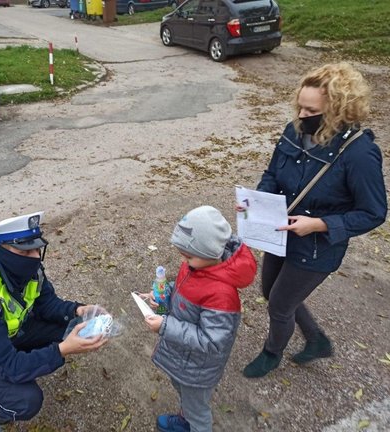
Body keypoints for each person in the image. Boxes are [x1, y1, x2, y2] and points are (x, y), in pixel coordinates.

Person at [240, 62, 387, 378]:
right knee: (270, 290)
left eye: (311, 110)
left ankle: (271, 353)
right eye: (300, 107)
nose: (301, 116)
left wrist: (319, 225)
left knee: (279, 304)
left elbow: (374, 212)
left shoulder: (359, 153)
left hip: (317, 248)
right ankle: (318, 340)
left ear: (337, 110)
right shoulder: (295, 131)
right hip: (282, 234)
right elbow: (272, 174)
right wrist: (257, 203)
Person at [0, 211, 107, 424]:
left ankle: (28, 358)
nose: (34, 257)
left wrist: (78, 310)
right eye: (24, 252)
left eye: (36, 248)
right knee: (28, 400)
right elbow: (7, 366)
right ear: (1, 250)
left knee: (72, 327)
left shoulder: (25, 268)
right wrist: (62, 350)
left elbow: (48, 304)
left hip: (6, 332)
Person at [141, 206, 257, 432]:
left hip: (198, 368)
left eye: (188, 256)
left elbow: (212, 341)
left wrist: (166, 326)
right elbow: (185, 289)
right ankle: (185, 420)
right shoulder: (196, 266)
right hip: (184, 359)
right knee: (183, 392)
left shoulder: (222, 295)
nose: (183, 260)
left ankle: (193, 424)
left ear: (210, 253)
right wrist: (164, 294)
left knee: (198, 410)